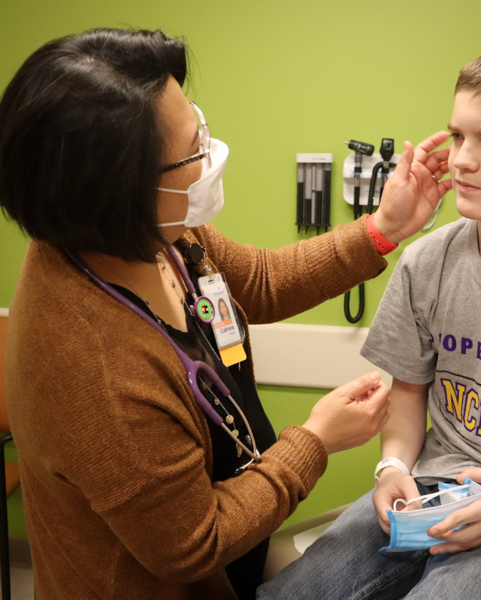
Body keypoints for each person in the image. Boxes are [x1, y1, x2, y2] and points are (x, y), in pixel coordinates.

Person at [0, 28, 451, 600]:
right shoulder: (96, 371)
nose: (211, 154)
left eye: (200, 124)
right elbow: (193, 543)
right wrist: (314, 441)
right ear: (122, 190)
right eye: (193, 149)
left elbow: (257, 282)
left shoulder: (149, 229)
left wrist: (380, 231)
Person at [258, 42, 481, 600]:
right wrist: (392, 468)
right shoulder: (427, 260)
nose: (463, 158)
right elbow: (408, 391)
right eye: (459, 135)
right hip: (430, 488)